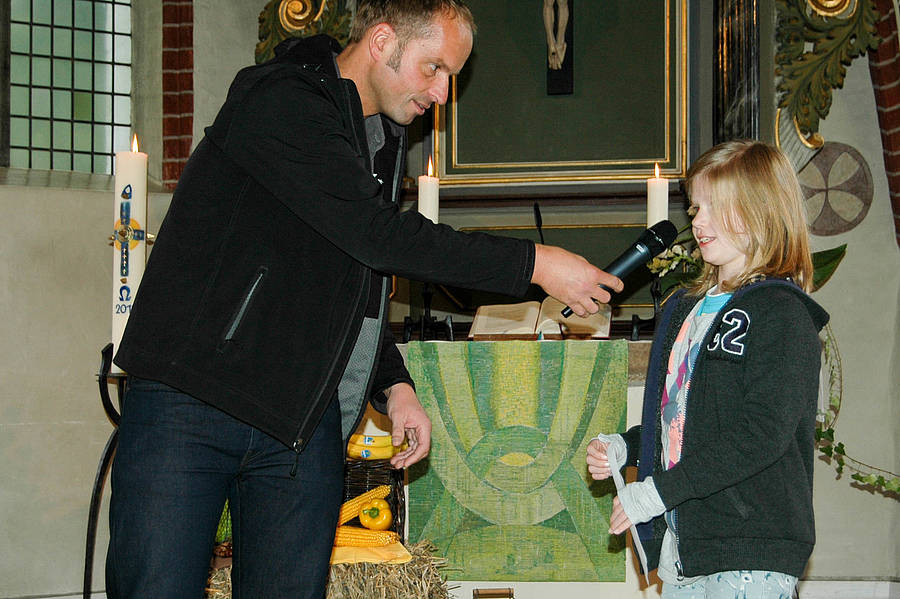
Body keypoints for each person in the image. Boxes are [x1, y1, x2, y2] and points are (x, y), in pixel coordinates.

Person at [106, 1, 622, 598]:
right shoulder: (281, 98)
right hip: (193, 399)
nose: (443, 93)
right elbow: (376, 237)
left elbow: (351, 276)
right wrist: (536, 263)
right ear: (381, 42)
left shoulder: (379, 137)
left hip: (297, 419)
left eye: (451, 75)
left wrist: (393, 385)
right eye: (434, 68)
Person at [586, 140, 829, 598]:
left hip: (751, 545)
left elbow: (762, 433)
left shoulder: (781, 312)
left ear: (763, 210)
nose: (697, 221)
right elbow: (684, 420)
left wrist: (657, 492)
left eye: (717, 206)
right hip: (688, 545)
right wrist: (629, 446)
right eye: (696, 207)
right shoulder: (686, 310)